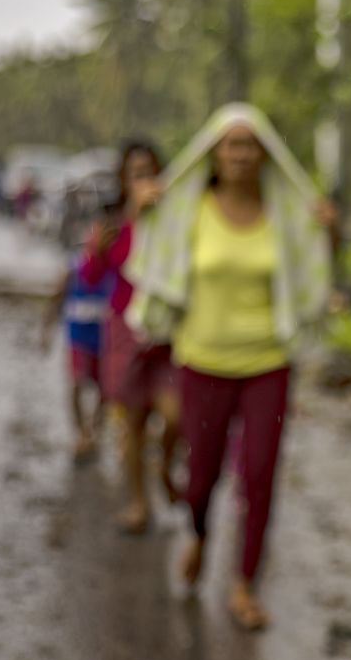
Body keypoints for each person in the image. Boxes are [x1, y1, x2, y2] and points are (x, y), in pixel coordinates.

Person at [125, 104, 332, 631]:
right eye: (230, 145)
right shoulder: (189, 208)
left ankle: (244, 584)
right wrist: (139, 209)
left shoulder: (285, 214)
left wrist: (324, 228)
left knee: (259, 475)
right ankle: (196, 534)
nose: (240, 154)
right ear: (215, 153)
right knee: (201, 478)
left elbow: (311, 263)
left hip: (268, 363)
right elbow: (151, 243)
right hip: (203, 361)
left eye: (249, 145)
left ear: (264, 154)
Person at [79, 141, 183, 534]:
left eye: (150, 171)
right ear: (124, 179)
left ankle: (167, 469)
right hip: (126, 331)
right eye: (135, 172)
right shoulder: (111, 223)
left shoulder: (174, 220)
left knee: (176, 416)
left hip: (167, 335)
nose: (144, 179)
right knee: (134, 423)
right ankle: (139, 502)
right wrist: (102, 248)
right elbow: (93, 276)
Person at [42, 237, 112, 462]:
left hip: (104, 340)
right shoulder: (74, 266)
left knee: (105, 390)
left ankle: (95, 430)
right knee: (76, 383)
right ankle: (81, 432)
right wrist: (47, 330)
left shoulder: (114, 268)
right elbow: (56, 299)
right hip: (78, 338)